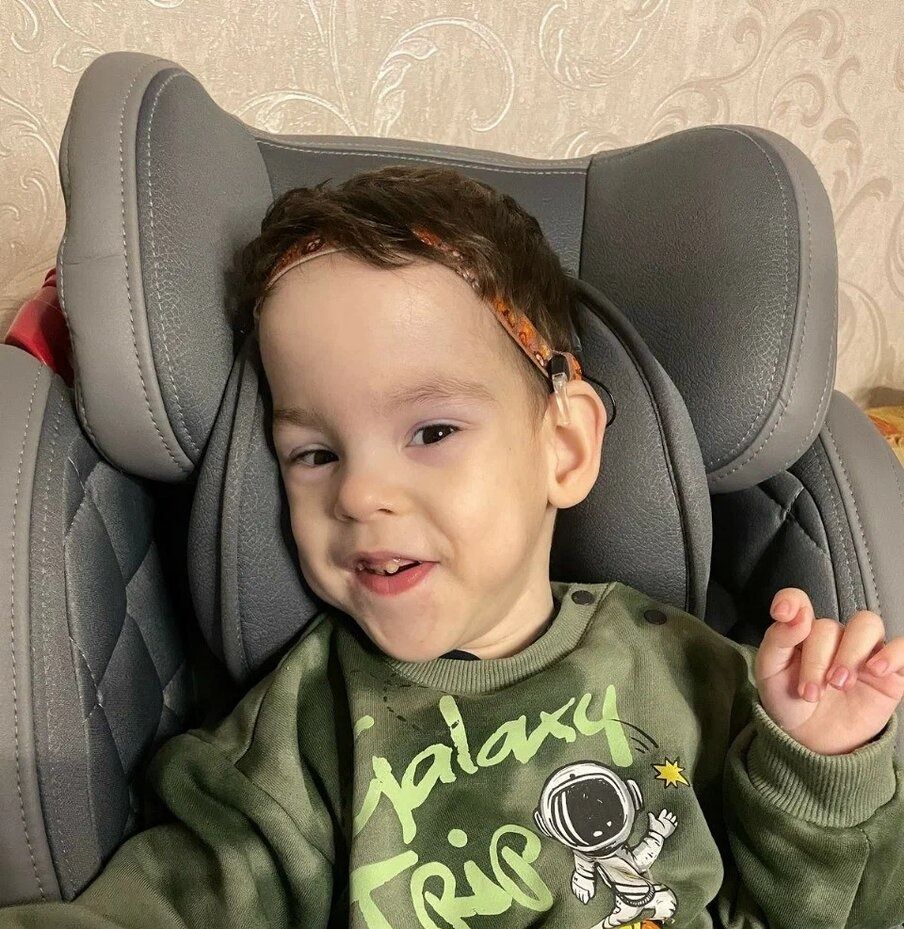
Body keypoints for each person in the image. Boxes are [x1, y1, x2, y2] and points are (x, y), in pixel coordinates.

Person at [2, 164, 902, 929]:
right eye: (314, 453)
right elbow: (175, 896)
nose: (359, 492)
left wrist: (820, 775)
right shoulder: (302, 731)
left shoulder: (691, 674)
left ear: (564, 446)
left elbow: (835, 908)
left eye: (431, 431)